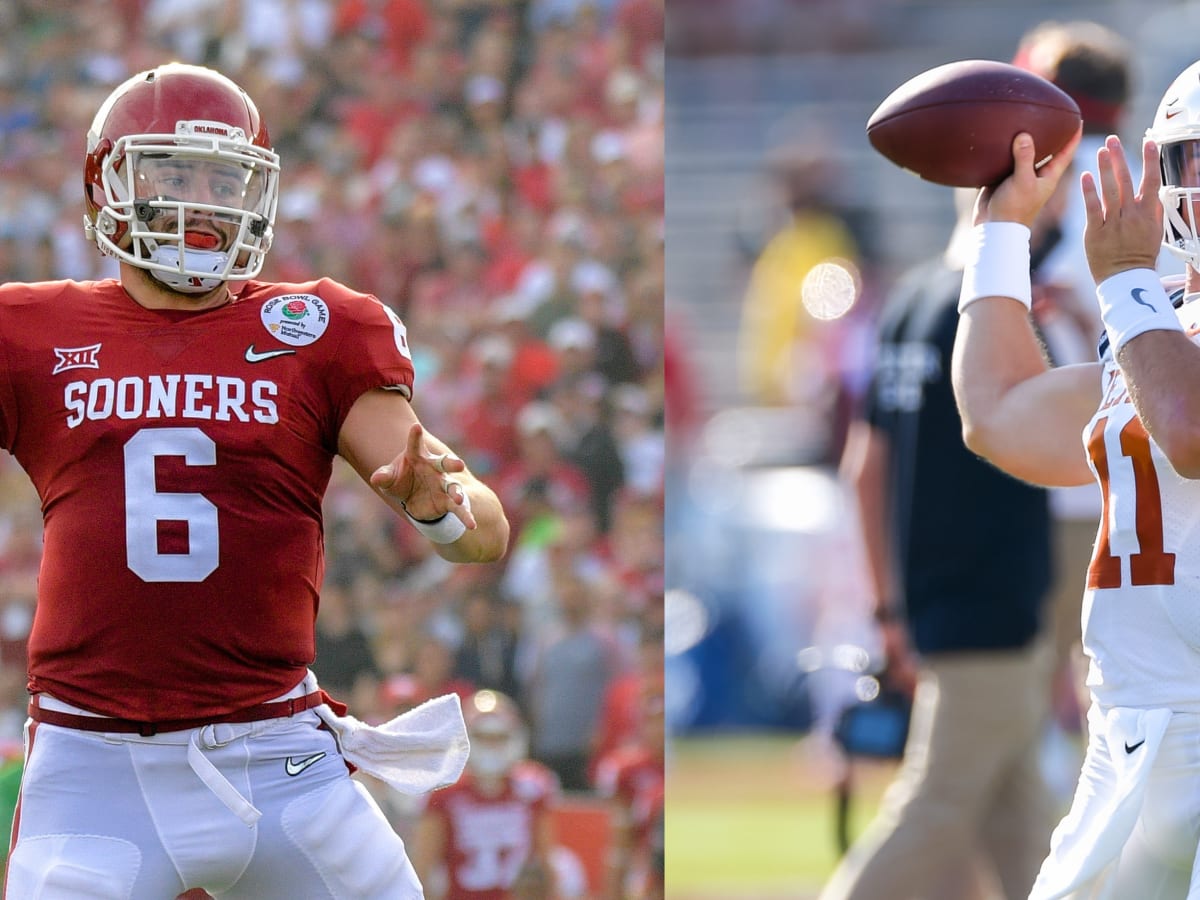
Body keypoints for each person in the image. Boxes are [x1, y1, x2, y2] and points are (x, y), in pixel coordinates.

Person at [2, 63, 509, 899]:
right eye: (176, 174)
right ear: (109, 188)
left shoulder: (314, 328)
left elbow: (484, 530)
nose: (203, 202)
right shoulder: (31, 330)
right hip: (94, 762)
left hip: (279, 756)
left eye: (222, 178)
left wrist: (440, 511)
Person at [951, 57, 1200, 899]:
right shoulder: (1156, 319)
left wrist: (1127, 285)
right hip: (1129, 733)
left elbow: (1192, 431)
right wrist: (1000, 234)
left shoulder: (1143, 311)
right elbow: (999, 414)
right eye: (1199, 162)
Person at [819, 161, 1073, 899]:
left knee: (1023, 825)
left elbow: (864, 468)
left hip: (943, 602)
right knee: (935, 810)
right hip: (991, 601)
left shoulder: (909, 301)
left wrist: (889, 607)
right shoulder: (1000, 312)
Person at [412, 689, 559, 900]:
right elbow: (423, 869)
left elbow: (547, 867)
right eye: (483, 737)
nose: (491, 747)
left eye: (499, 738)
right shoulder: (445, 792)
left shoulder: (533, 788)